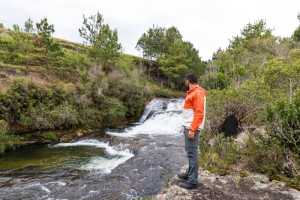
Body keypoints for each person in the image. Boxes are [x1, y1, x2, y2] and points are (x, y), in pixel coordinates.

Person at [178, 73, 206, 189]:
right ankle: (189, 174)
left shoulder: (197, 93)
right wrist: (185, 128)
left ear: (187, 81)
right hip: (188, 126)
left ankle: (193, 181)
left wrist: (192, 129)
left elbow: (199, 113)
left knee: (192, 153)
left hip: (192, 127)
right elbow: (189, 114)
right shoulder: (193, 93)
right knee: (190, 151)